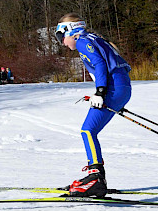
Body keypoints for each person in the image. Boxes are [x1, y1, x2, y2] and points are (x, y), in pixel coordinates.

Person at [55, 13, 132, 198]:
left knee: (87, 131)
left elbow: (99, 65)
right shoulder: (94, 38)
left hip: (113, 88)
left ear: (70, 30)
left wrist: (100, 92)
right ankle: (98, 179)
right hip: (122, 87)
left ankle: (95, 178)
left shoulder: (81, 41)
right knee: (90, 130)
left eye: (61, 36)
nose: (63, 42)